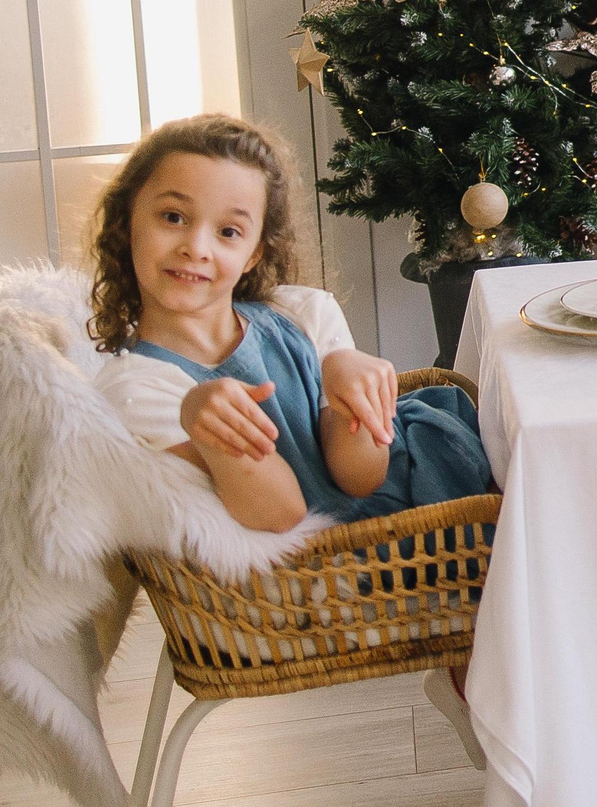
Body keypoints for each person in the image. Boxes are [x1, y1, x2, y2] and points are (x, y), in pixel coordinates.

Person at [88, 113, 492, 531]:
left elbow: (360, 479)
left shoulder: (303, 312)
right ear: (127, 220)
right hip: (334, 558)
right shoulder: (134, 388)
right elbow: (283, 514)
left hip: (413, 485)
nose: (196, 248)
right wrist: (204, 426)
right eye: (173, 217)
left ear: (254, 255)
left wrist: (348, 397)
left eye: (228, 231)